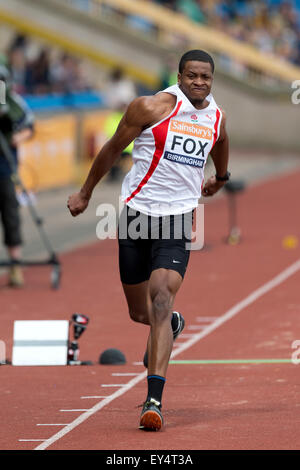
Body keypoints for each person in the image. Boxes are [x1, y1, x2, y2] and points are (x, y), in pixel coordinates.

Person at [67, 49, 230, 431]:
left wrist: (219, 179)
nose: (199, 83)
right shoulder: (150, 108)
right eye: (192, 76)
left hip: (177, 219)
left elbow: (222, 141)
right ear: (179, 76)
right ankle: (171, 323)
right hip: (138, 216)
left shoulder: (215, 117)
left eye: (205, 77)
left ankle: (153, 400)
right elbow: (111, 149)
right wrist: (86, 193)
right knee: (140, 313)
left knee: (160, 298)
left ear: (212, 79)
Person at [0, 61, 34, 287]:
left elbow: (30, 127)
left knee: (10, 215)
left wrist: (17, 137)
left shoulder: (15, 104)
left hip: (5, 167)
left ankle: (15, 266)